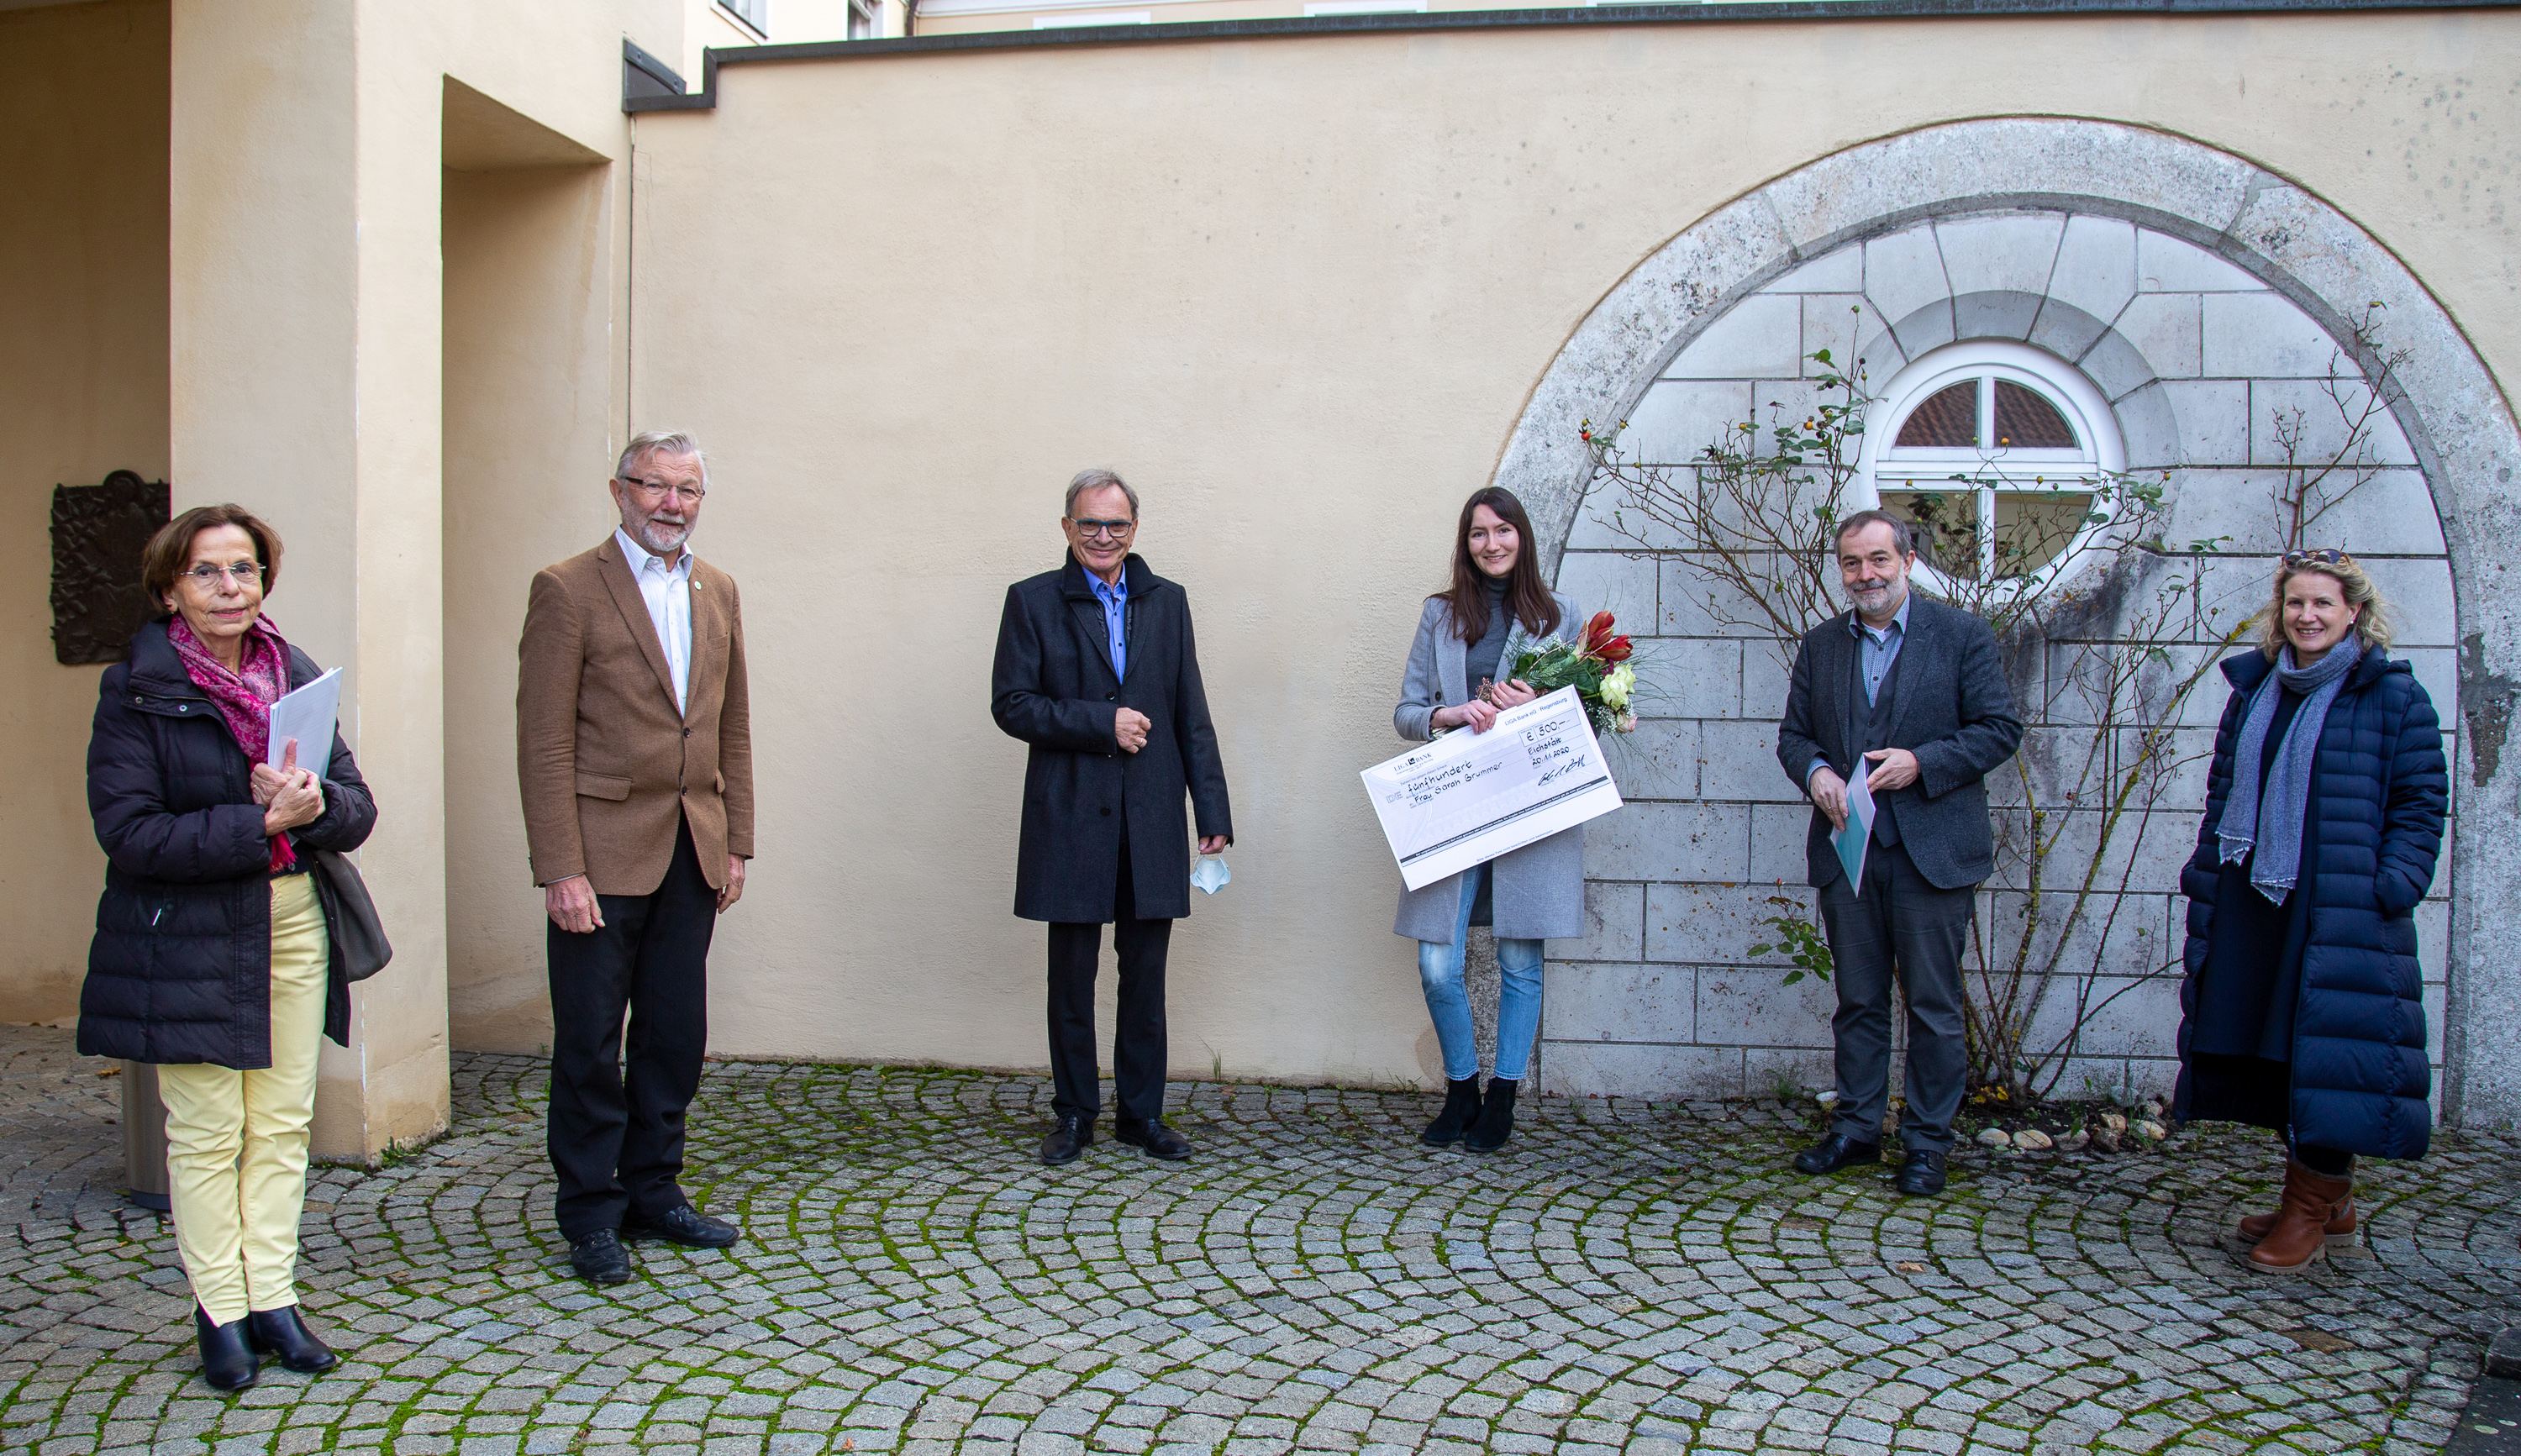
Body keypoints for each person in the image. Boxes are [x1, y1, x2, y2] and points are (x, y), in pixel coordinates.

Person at [78, 505, 376, 1391]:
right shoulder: (136, 687)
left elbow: (356, 807)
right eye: (205, 571)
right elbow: (129, 832)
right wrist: (260, 823)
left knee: (282, 1124)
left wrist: (315, 805)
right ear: (170, 588)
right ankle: (221, 1310)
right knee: (209, 1131)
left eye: (243, 569)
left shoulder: (296, 673)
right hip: (190, 936)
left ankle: (274, 1298)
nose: (228, 587)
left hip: (293, 920)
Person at [517, 430, 754, 1285]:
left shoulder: (717, 587)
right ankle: (590, 1211)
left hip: (693, 847)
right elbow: (543, 740)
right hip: (600, 857)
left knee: (673, 1034)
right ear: (619, 490)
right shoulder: (567, 589)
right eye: (654, 486)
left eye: (686, 490)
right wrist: (561, 867)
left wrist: (736, 840)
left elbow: (731, 722)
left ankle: (654, 1188)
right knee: (589, 1042)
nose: (670, 504)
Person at [2176, 549, 2445, 1273]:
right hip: (2254, 900)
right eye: (2296, 602)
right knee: (2269, 1050)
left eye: (2323, 603)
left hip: (2341, 908)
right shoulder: (2256, 688)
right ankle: (2327, 1195)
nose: (2307, 615)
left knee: (2327, 1053)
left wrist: (2394, 884)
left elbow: (2421, 801)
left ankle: (2310, 1203)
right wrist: (2207, 866)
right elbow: (2224, 787)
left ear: (2353, 611)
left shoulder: (2393, 696)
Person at [991, 468, 1233, 1166]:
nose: (1103, 535)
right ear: (1067, 526)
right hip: (1069, 815)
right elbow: (1012, 703)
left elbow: (1190, 711)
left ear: (1134, 528)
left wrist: (1211, 807)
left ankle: (1141, 1113)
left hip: (1151, 815)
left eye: (1116, 524)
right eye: (1090, 523)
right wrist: (1104, 724)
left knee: (1145, 975)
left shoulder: (1167, 601)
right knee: (1071, 976)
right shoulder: (1032, 600)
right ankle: (1074, 1114)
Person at [1776, 510, 2022, 1196]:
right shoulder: (1822, 644)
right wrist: (1816, 773)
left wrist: (1923, 762)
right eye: (1852, 563)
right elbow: (1794, 737)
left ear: (1908, 561)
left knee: (1934, 1005)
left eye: (1879, 559)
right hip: (1849, 848)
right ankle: (1857, 1128)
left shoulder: (1962, 635)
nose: (1867, 575)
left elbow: (1999, 728)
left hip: (1931, 850)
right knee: (1858, 1000)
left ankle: (1927, 1143)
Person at [1391, 486, 1587, 1154]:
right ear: (1466, 543)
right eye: (1479, 533)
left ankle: (1502, 1096)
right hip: (1456, 801)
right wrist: (1450, 714)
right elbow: (1407, 711)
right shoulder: (1441, 614)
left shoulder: (1561, 615)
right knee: (1437, 962)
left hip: (1530, 805)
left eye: (1503, 530)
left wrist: (1539, 704)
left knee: (1519, 956)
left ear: (1522, 537)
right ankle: (1461, 1089)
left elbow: (1587, 720)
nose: (1492, 543)